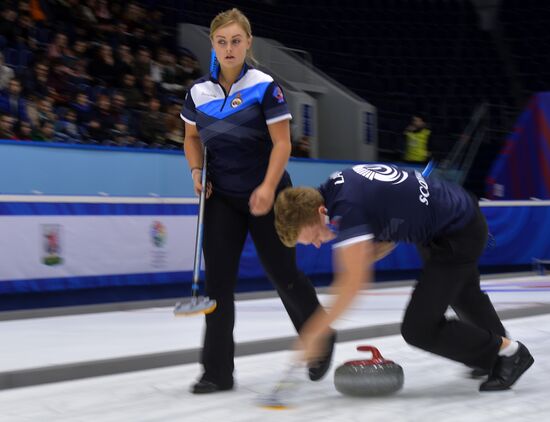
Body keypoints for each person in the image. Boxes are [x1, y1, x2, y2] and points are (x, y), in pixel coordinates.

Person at [180, 8, 335, 394]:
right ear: (213, 45)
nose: (229, 48)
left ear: (248, 43)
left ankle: (319, 336)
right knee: (218, 286)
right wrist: (197, 173)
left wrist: (267, 188)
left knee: (284, 275)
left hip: (269, 194)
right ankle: (216, 372)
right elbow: (191, 138)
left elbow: (282, 144)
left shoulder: (266, 86)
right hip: (222, 199)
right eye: (222, 41)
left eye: (236, 41)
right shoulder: (198, 92)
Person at [274, 163, 534, 392]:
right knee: (463, 292)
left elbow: (351, 286)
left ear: (319, 212)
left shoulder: (346, 209)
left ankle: (508, 353)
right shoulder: (336, 184)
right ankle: (495, 351)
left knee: (419, 328)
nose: (318, 244)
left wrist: (314, 332)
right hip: (451, 217)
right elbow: (392, 215)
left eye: (313, 237)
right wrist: (364, 253)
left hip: (456, 231)